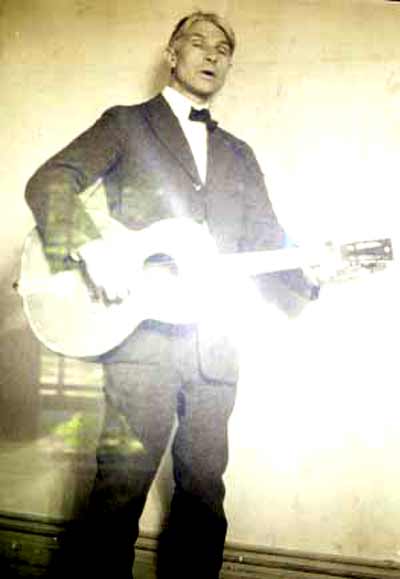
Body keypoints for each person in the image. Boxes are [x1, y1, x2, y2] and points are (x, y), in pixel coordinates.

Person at [25, 11, 318, 579]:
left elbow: (266, 239)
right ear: (172, 53)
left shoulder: (240, 154)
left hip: (216, 345)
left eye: (224, 49)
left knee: (204, 495)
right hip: (142, 343)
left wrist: (311, 268)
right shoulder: (127, 124)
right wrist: (89, 247)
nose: (212, 55)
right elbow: (49, 181)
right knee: (120, 488)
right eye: (199, 43)